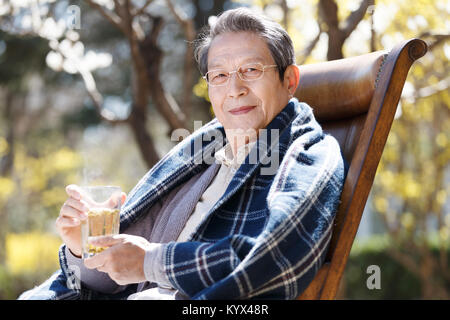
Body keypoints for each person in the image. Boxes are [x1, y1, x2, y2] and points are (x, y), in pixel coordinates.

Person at [19, 7, 345, 300]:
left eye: (251, 70)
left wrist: (151, 261)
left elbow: (276, 255)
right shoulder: (198, 155)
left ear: (289, 80)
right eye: (219, 75)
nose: (234, 89)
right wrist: (85, 249)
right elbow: (118, 280)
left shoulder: (308, 152)